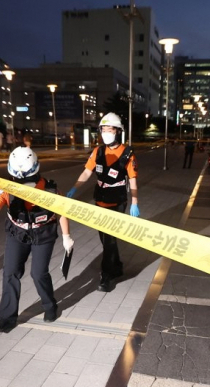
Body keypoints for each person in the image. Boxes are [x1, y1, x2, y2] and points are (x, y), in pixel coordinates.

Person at [0, 147, 75, 333]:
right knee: (10, 273)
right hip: (17, 233)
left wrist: (66, 236)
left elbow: (61, 213)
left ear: (36, 171)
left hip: (43, 232)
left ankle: (50, 306)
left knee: (38, 273)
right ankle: (7, 318)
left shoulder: (50, 189)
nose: (21, 182)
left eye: (27, 179)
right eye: (18, 178)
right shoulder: (5, 188)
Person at [66, 112, 140, 292]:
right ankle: (117, 266)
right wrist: (75, 188)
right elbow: (86, 172)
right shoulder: (98, 151)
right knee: (106, 239)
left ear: (118, 131)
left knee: (109, 240)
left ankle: (106, 276)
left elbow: (132, 180)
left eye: (110, 129)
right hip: (100, 200)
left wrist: (135, 202)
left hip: (118, 201)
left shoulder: (127, 153)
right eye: (103, 129)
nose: (106, 133)